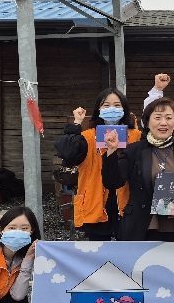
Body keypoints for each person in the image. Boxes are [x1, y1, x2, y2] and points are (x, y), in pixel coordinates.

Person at [102, 97, 174, 241]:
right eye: (157, 117)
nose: (163, 122)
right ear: (147, 122)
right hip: (141, 228)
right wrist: (112, 152)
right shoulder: (134, 150)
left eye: (169, 118)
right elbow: (112, 182)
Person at [55, 88, 141, 241]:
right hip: (95, 204)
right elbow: (67, 153)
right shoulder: (87, 136)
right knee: (98, 251)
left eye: (117, 105)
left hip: (128, 206)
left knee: (127, 251)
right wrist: (76, 123)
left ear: (124, 109)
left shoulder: (136, 136)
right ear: (98, 110)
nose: (112, 109)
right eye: (106, 105)